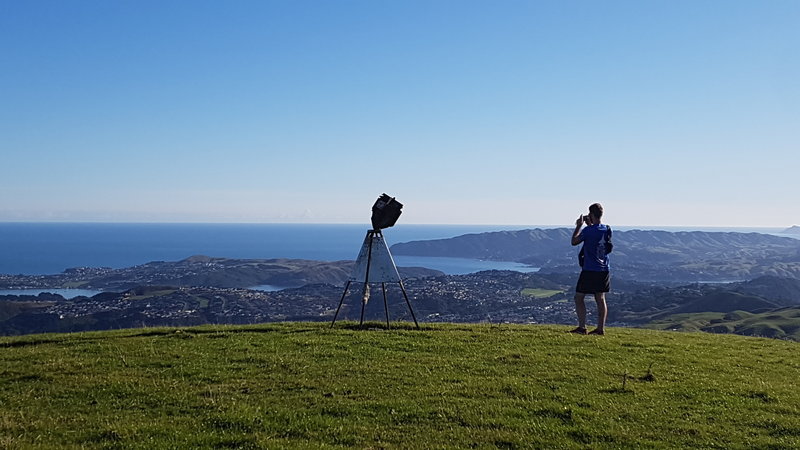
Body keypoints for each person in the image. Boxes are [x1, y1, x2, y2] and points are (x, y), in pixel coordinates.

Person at [570, 203, 611, 335]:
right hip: (604, 269)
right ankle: (600, 329)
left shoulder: (588, 231)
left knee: (579, 297)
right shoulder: (607, 229)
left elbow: (574, 241)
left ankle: (582, 327)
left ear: (592, 215)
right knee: (600, 298)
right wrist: (590, 225)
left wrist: (578, 226)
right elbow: (598, 238)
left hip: (589, 269)